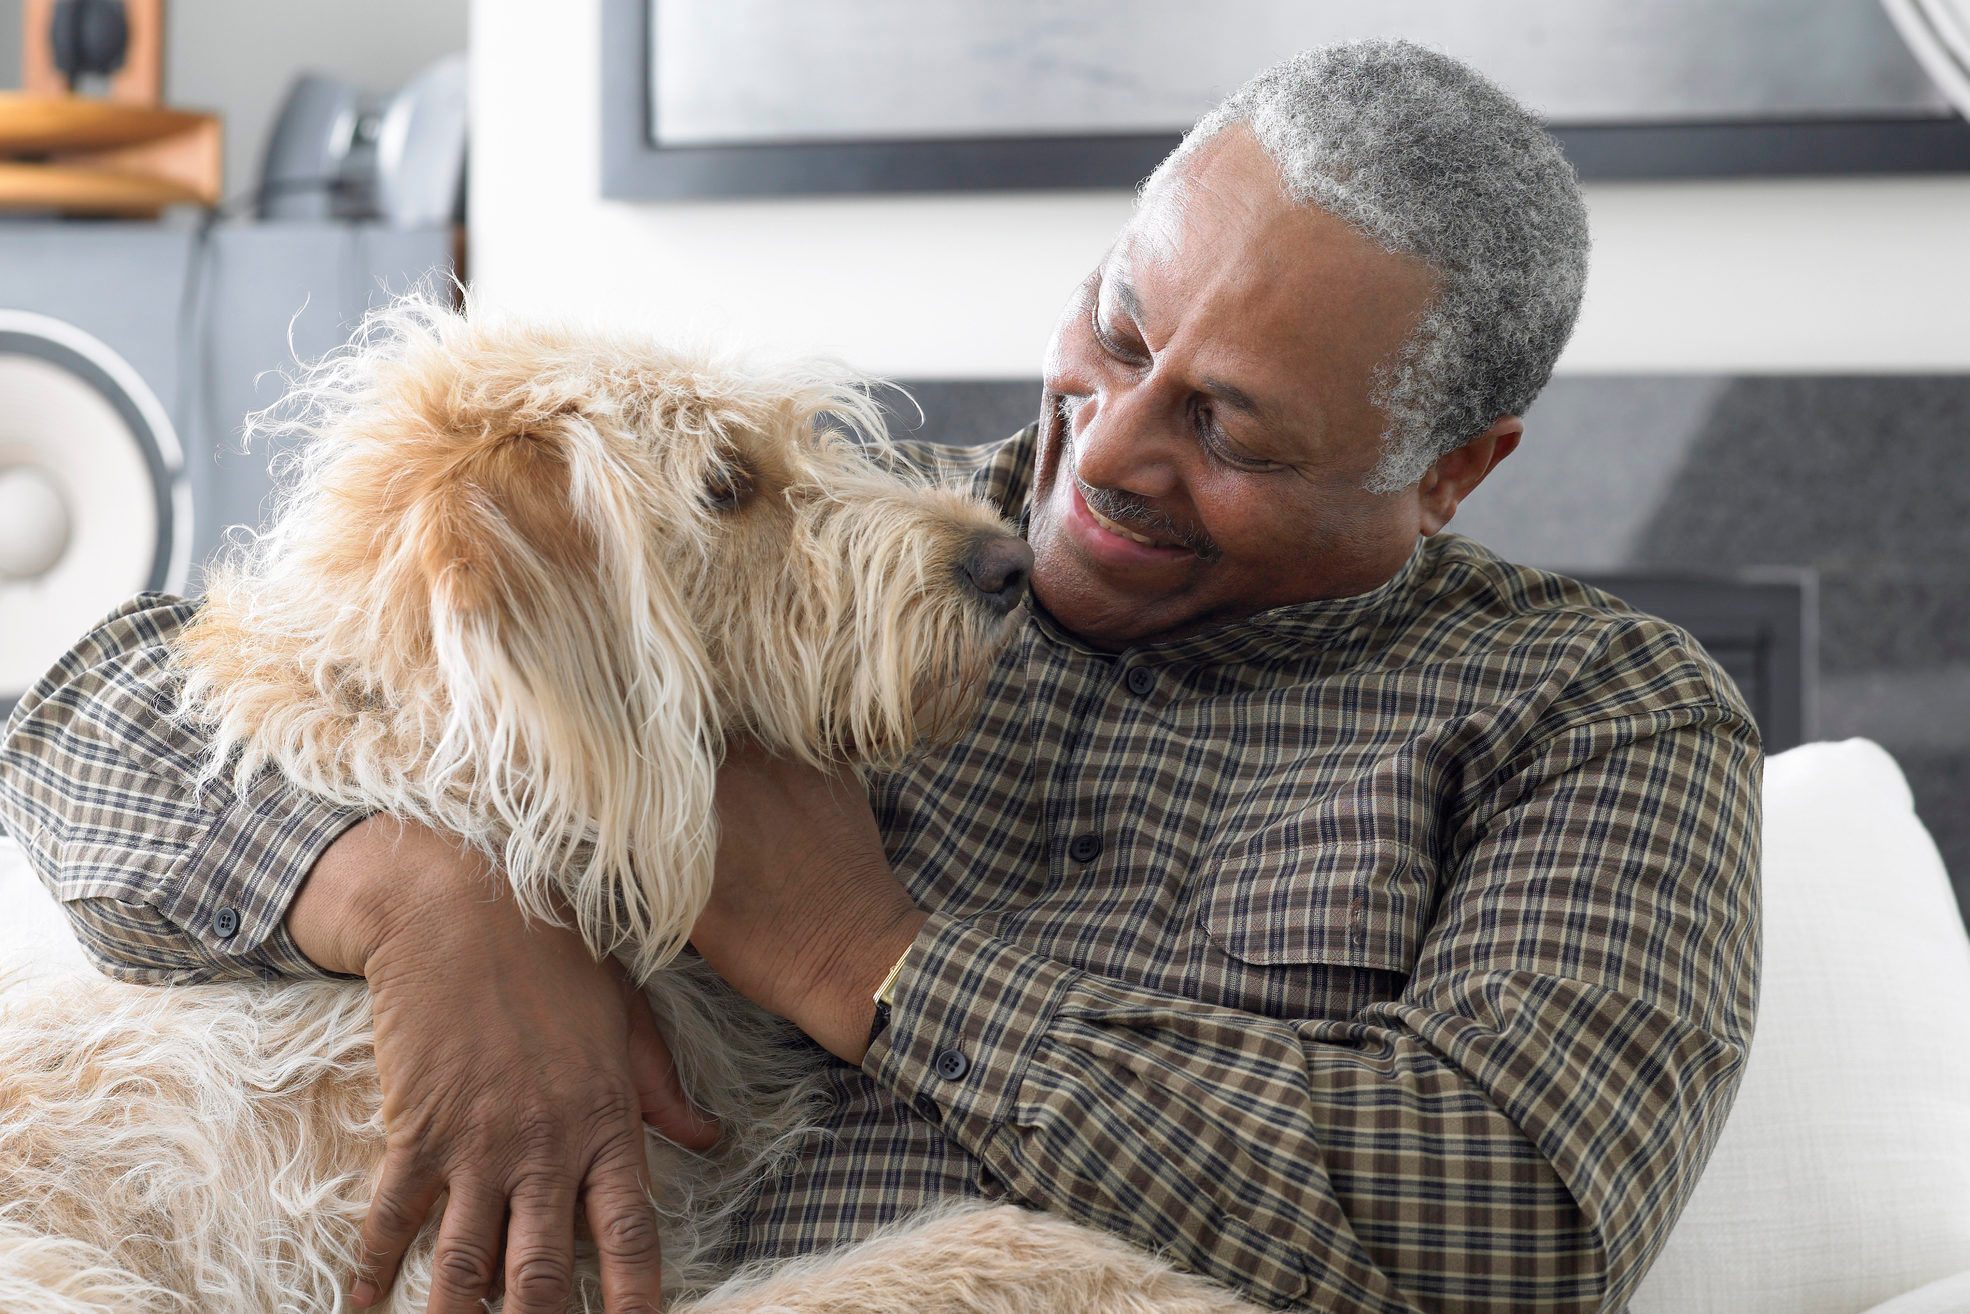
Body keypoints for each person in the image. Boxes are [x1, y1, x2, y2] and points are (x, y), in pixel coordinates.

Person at [0, 40, 1759, 1314]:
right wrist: (418, 894)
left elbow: (1519, 1218)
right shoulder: (834, 546)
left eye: (1228, 428)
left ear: (1452, 468)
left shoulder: (1591, 716)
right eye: (1121, 331)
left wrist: (867, 960)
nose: (1107, 454)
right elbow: (99, 714)